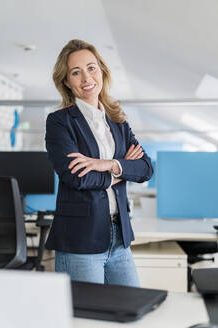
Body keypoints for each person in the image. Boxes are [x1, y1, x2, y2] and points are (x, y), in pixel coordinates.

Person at [45, 39, 153, 287]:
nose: (86, 78)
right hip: (80, 241)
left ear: (102, 72)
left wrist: (107, 164)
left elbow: (146, 168)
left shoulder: (118, 122)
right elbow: (78, 177)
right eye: (76, 72)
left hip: (119, 236)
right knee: (86, 321)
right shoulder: (60, 122)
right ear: (66, 82)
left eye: (91, 68)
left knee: (131, 312)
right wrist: (123, 170)